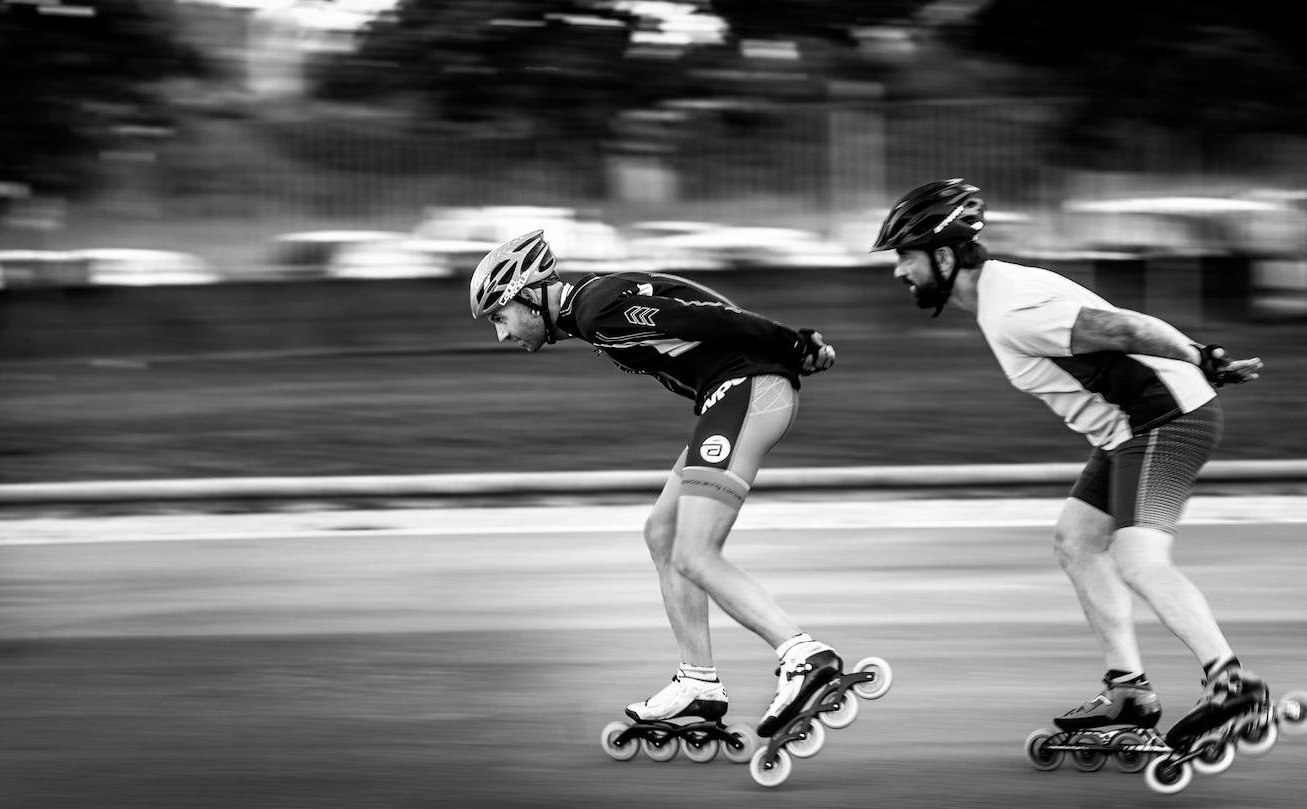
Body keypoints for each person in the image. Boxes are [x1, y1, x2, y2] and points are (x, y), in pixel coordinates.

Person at [869, 178, 1268, 750]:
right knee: (1076, 539)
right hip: (1130, 429)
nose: (899, 272)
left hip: (1164, 419)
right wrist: (1197, 358)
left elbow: (1125, 326)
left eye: (905, 257)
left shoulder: (1012, 310)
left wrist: (1198, 356)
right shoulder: (999, 294)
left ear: (942, 254)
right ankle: (1128, 690)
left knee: (1138, 558)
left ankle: (1233, 687)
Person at [469, 228, 845, 739]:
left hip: (746, 393)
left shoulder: (597, 310)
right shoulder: (592, 306)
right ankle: (698, 682)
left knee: (695, 552)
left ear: (529, 296)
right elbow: (689, 300)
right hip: (737, 395)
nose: (501, 333)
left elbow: (705, 317)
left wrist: (792, 345)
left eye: (500, 316)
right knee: (663, 535)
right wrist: (787, 352)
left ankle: (804, 658)